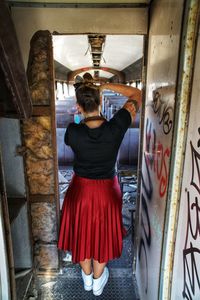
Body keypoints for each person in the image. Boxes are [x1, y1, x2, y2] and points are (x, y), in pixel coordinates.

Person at [57, 73, 141, 296]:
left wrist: (80, 117)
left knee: (82, 236)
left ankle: (86, 279)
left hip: (80, 191)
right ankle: (97, 281)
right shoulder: (116, 127)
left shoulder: (72, 132)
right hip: (107, 192)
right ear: (100, 101)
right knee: (101, 237)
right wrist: (105, 86)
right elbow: (136, 94)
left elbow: (75, 132)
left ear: (78, 106)